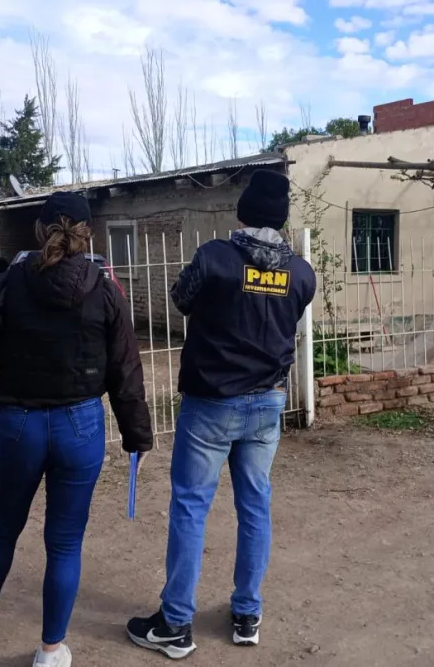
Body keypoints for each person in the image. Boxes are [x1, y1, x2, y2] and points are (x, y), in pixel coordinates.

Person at [0, 191, 153, 667]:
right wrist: (137, 437)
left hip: (17, 424)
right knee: (64, 541)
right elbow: (126, 369)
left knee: (2, 527)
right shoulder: (105, 290)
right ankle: (51, 650)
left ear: (40, 232)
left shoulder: (10, 284)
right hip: (80, 425)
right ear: (89, 236)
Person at [126, 169, 316, 659]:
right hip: (267, 403)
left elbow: (181, 300)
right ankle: (247, 615)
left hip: (211, 404)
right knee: (255, 505)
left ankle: (175, 623)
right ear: (282, 218)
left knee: (191, 505)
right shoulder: (300, 273)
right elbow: (285, 316)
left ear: (243, 212)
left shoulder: (215, 258)